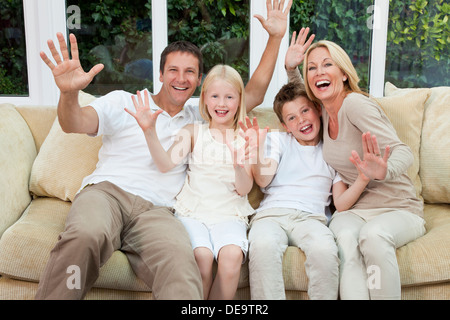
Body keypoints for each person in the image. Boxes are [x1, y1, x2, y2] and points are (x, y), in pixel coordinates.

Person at [35, 0, 292, 300]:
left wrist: (275, 38)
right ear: (159, 74)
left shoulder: (202, 116)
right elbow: (73, 123)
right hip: (108, 194)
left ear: (199, 82)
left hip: (159, 212)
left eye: (190, 72)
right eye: (173, 70)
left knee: (184, 273)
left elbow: (251, 94)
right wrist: (69, 93)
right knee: (86, 235)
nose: (180, 78)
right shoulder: (124, 101)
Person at [293, 39, 426, 299]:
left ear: (343, 74)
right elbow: (303, 94)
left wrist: (382, 171)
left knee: (373, 236)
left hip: (397, 206)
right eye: (312, 67)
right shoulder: (321, 111)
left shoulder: (355, 105)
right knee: (342, 237)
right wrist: (291, 67)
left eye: (327, 64)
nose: (319, 72)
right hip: (357, 209)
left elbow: (403, 151)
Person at [127, 65, 256, 300]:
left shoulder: (245, 136)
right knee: (202, 258)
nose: (222, 104)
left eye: (229, 97)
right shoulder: (193, 131)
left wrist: (238, 166)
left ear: (239, 101)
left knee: (232, 257)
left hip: (230, 213)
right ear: (204, 98)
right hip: (192, 212)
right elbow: (165, 163)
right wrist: (149, 132)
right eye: (215, 96)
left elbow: (245, 188)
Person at [246, 79, 375, 300]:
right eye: (292, 118)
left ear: (317, 109)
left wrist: (362, 179)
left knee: (325, 252)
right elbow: (263, 180)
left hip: (311, 219)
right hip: (272, 215)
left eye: (305, 110)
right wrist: (257, 151)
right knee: (262, 246)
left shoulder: (332, 151)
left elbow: (341, 203)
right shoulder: (280, 141)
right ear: (285, 126)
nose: (301, 120)